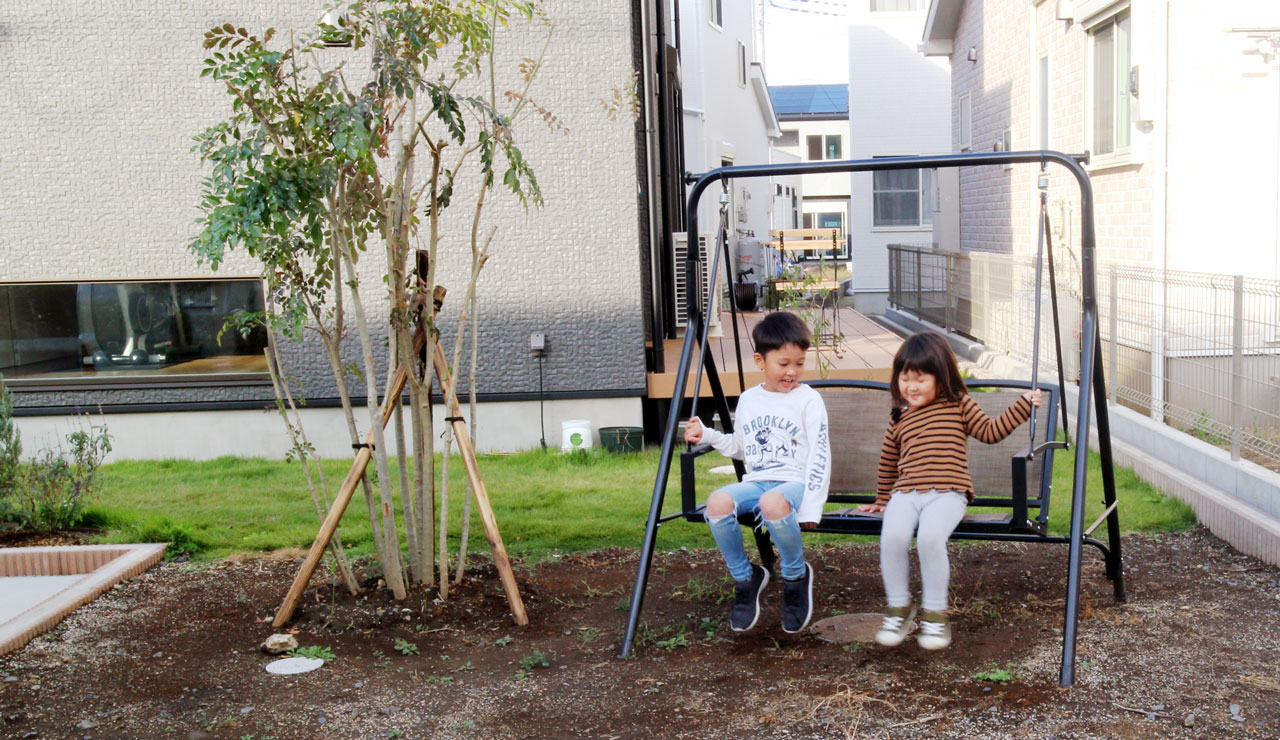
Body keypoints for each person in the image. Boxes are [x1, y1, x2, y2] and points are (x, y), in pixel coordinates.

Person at [858, 331, 1041, 650]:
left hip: (949, 493)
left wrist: (1022, 406)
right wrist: (883, 498)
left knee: (930, 539)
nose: (911, 387)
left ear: (941, 377)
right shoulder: (899, 415)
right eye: (905, 378)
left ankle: (934, 616)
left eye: (920, 379)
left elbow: (990, 431)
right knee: (892, 538)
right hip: (906, 493)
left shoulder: (959, 405)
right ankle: (899, 609)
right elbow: (888, 459)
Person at [684, 311, 830, 634]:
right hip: (757, 481)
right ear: (760, 361)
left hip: (793, 483)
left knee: (772, 503)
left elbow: (820, 455)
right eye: (784, 363)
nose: (792, 371)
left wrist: (811, 507)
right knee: (717, 502)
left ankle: (795, 575)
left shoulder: (809, 400)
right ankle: (746, 577)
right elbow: (741, 447)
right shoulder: (749, 399)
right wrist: (707, 434)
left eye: (799, 363)